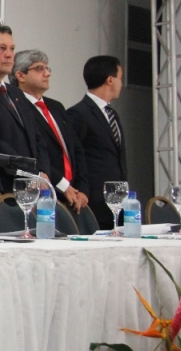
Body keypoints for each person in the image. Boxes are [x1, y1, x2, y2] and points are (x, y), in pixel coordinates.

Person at [0, 23, 50, 192]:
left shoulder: (15, 92)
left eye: (11, 48)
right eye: (1, 48)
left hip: (33, 185)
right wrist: (31, 173)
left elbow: (37, 138)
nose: (9, 55)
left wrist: (42, 172)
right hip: (2, 184)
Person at [12, 50, 89, 212]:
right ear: (20, 75)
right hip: (45, 193)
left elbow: (76, 149)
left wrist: (81, 188)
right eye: (39, 69)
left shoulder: (56, 107)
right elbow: (33, 155)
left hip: (73, 196)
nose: (47, 74)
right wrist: (62, 184)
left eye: (48, 69)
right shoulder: (17, 108)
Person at [68, 55, 127, 229]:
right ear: (110, 80)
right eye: (120, 78)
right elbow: (73, 157)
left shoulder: (112, 114)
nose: (121, 84)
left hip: (118, 203)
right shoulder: (78, 114)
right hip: (94, 203)